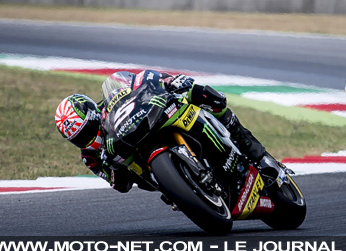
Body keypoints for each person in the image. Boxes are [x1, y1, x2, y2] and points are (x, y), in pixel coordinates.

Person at [55, 70, 267, 193]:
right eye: (79, 139)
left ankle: (252, 149)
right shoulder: (90, 157)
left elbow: (140, 83)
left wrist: (168, 81)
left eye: (86, 131)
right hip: (146, 171)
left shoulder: (111, 103)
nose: (86, 140)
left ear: (93, 115)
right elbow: (120, 186)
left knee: (202, 95)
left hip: (148, 123)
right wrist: (114, 168)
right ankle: (183, 189)